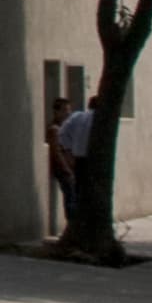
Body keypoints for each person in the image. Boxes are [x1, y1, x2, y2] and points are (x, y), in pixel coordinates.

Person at [56, 97, 96, 232]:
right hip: (91, 159)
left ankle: (77, 225)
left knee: (78, 193)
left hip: (77, 158)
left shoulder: (78, 116)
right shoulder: (98, 119)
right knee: (91, 194)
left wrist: (68, 151)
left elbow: (62, 133)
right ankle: (87, 226)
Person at [46, 96, 78, 229]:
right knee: (70, 198)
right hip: (64, 171)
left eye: (69, 110)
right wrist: (67, 170)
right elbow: (57, 152)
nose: (68, 113)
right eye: (65, 110)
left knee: (75, 197)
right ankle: (72, 226)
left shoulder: (66, 129)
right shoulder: (55, 129)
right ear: (57, 112)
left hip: (71, 169)